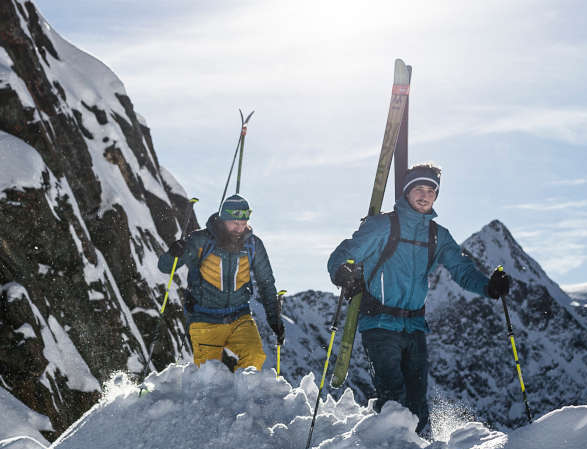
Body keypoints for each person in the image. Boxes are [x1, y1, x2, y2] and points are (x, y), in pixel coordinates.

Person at [327, 163, 514, 434]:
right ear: (407, 192)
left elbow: (461, 269)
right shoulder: (382, 225)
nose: (425, 195)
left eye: (431, 190)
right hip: (378, 324)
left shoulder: (438, 235)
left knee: (417, 399)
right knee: (393, 395)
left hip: (414, 327)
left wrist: (490, 287)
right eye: (419, 188)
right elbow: (344, 253)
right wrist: (341, 271)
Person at [159, 195, 285, 371]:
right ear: (223, 219)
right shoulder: (201, 240)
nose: (239, 228)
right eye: (234, 223)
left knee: (254, 358)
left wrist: (274, 318)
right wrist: (174, 253)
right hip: (205, 319)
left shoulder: (253, 245)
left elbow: (266, 283)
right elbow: (165, 267)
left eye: (243, 223)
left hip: (239, 317)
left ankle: (239, 394)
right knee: (208, 377)